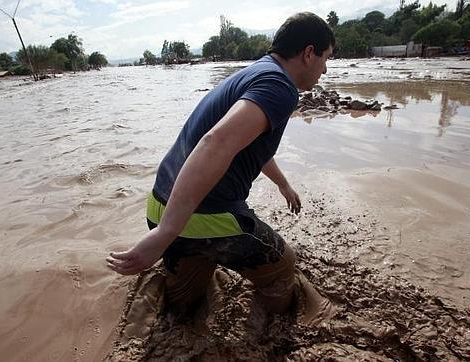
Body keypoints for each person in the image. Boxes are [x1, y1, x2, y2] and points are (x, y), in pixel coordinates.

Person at [107, 12, 335, 314]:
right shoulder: (281, 87)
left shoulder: (256, 72)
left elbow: (247, 142)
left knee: (185, 308)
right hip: (199, 217)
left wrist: (283, 184)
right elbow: (216, 142)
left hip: (159, 205)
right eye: (326, 58)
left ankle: (183, 302)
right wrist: (166, 233)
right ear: (309, 53)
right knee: (283, 267)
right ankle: (276, 338)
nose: (325, 69)